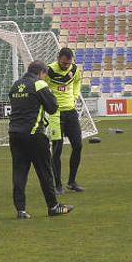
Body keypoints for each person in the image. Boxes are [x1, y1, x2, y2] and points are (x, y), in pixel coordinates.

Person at [8, 60, 74, 219]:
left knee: (19, 172)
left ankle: (21, 210)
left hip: (14, 133)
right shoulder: (39, 84)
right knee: (45, 171)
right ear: (41, 73)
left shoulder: (15, 85)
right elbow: (52, 108)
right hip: (34, 134)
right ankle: (53, 206)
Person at [46, 47, 84, 193]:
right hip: (55, 114)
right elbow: (42, 86)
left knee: (78, 145)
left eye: (68, 64)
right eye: (63, 64)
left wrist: (74, 97)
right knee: (57, 149)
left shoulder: (74, 70)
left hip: (71, 112)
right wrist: (49, 102)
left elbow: (77, 82)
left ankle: (72, 181)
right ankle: (57, 185)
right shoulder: (49, 70)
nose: (65, 66)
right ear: (58, 58)